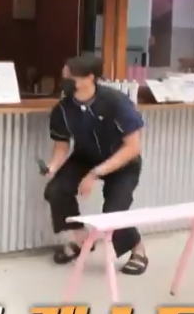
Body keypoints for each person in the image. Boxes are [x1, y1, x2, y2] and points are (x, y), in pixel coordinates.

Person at [43, 54, 149, 275]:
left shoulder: (116, 102)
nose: (64, 80)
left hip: (122, 161)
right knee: (56, 190)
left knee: (113, 212)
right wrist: (52, 167)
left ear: (89, 77)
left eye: (70, 76)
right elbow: (61, 146)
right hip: (86, 156)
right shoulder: (63, 108)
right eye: (64, 76)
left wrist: (94, 174)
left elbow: (132, 147)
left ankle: (137, 248)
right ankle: (82, 240)